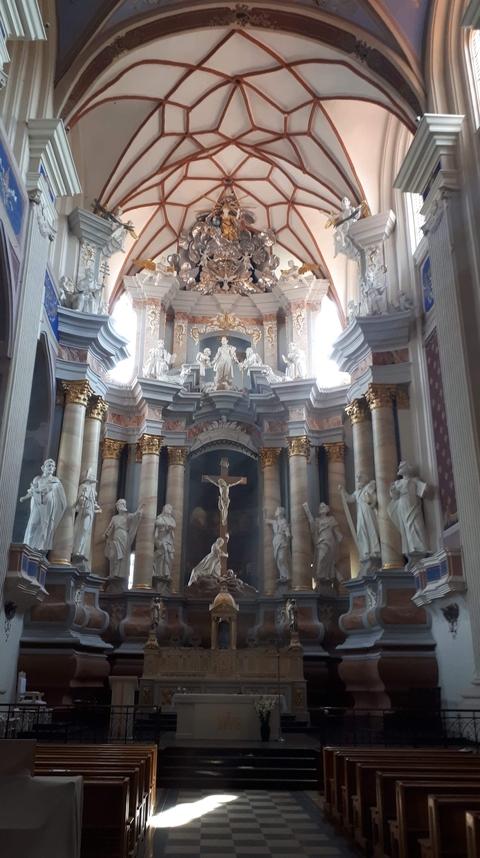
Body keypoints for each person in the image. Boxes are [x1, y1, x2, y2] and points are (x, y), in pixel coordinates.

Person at [20, 459, 67, 552]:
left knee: (44, 524)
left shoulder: (55, 480)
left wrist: (38, 490)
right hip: (37, 503)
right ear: (43, 468)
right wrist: (24, 497)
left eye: (52, 466)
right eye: (49, 466)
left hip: (47, 504)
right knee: (33, 523)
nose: (51, 468)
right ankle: (28, 546)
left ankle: (40, 547)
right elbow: (32, 491)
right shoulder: (37, 479)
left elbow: (48, 489)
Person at [388, 460, 429, 555]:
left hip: (413, 502)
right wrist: (392, 491)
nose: (399, 469)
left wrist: (427, 488)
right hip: (402, 503)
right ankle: (412, 548)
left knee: (417, 524)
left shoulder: (415, 480)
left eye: (401, 467)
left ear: (408, 468)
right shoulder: (397, 483)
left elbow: (424, 490)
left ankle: (422, 547)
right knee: (407, 526)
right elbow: (394, 496)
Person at [340, 473, 380, 562]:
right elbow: (350, 499)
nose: (358, 479)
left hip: (368, 511)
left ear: (365, 479)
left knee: (370, 529)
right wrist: (343, 491)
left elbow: (372, 503)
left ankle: (374, 550)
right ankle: (365, 551)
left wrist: (368, 498)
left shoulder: (369, 488)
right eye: (357, 477)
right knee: (360, 531)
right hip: (360, 513)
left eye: (360, 477)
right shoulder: (357, 492)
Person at [103, 499, 145, 581]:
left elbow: (135, 516)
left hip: (124, 536)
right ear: (117, 506)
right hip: (115, 537)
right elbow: (110, 527)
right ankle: (112, 573)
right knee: (112, 555)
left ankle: (120, 575)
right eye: (122, 504)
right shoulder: (114, 518)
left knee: (123, 556)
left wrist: (140, 509)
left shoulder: (127, 516)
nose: (124, 505)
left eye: (125, 504)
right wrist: (105, 534)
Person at [303, 502, 343, 582]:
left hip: (330, 542)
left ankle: (326, 576)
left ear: (327, 509)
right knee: (321, 557)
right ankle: (319, 576)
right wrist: (307, 512)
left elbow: (335, 531)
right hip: (321, 541)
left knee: (328, 560)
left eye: (323, 507)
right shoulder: (317, 520)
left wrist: (340, 537)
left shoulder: (331, 519)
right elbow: (313, 529)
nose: (321, 508)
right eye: (320, 507)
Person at [72, 467, 101, 558]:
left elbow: (92, 501)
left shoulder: (92, 490)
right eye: (91, 475)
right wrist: (82, 500)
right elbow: (81, 498)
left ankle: (80, 550)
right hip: (84, 511)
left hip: (90, 512)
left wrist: (94, 506)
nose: (93, 477)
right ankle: (76, 549)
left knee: (86, 531)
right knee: (82, 529)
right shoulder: (83, 487)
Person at [263, 507, 292, 583]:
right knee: (278, 559)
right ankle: (283, 575)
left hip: (282, 540)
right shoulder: (274, 522)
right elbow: (266, 520)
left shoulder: (283, 521)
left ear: (281, 512)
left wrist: (288, 534)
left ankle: (288, 574)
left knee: (282, 558)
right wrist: (264, 512)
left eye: (277, 510)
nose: (275, 511)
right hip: (276, 540)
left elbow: (286, 530)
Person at [153, 504, 176, 580]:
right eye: (169, 508)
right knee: (162, 555)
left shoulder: (171, 519)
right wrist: (165, 524)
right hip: (162, 538)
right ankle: (160, 573)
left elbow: (174, 525)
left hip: (169, 539)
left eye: (171, 509)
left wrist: (170, 526)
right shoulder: (161, 517)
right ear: (165, 509)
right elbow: (157, 522)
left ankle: (167, 573)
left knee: (169, 556)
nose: (170, 510)